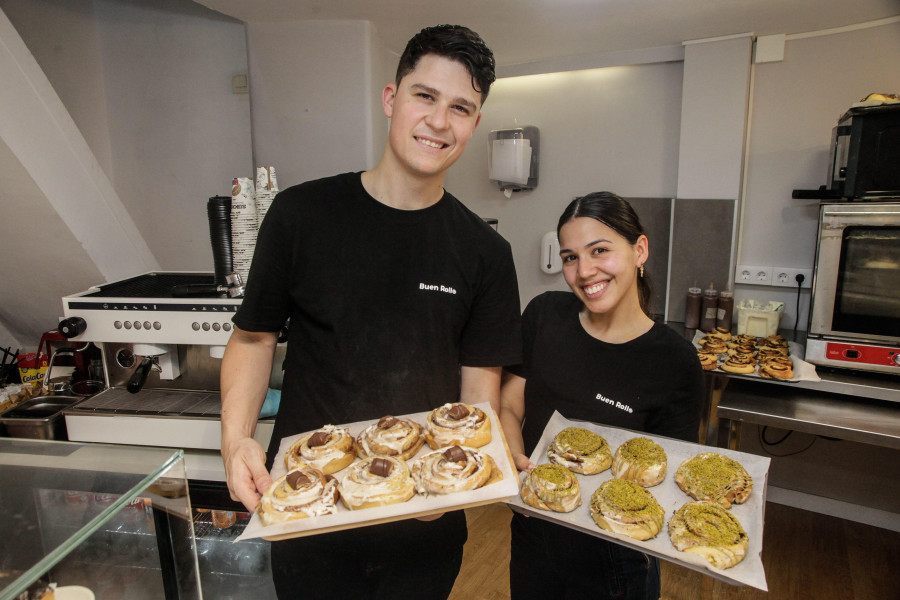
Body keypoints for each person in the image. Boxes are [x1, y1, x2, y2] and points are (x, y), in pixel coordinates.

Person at [219, 24, 522, 600]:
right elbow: (254, 340)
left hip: (424, 530)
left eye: (461, 107)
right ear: (391, 98)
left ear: (475, 124)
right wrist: (236, 441)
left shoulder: (485, 252)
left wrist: (452, 491)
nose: (439, 121)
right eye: (425, 96)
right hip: (308, 512)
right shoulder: (301, 215)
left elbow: (478, 393)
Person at [499, 191, 703, 600]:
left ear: (639, 250)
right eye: (570, 257)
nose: (585, 270)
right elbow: (509, 403)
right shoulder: (544, 316)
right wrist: (515, 464)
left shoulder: (674, 360)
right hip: (533, 528)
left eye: (600, 250)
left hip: (615, 551)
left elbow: (666, 476)